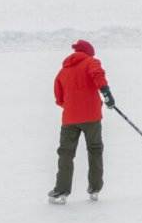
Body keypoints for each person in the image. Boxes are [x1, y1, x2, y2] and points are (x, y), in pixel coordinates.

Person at [48, 40, 112, 203]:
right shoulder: (91, 62)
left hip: (70, 118)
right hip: (92, 116)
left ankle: (61, 191)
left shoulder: (63, 71)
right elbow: (98, 75)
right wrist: (106, 95)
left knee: (66, 153)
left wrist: (72, 106)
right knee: (95, 149)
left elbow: (59, 97)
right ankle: (95, 189)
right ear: (88, 52)